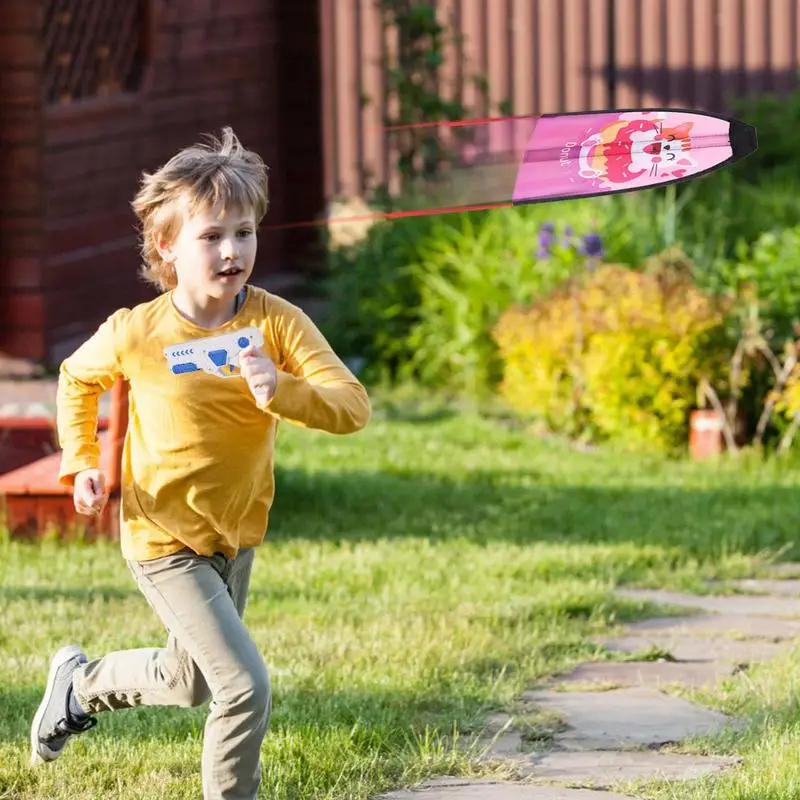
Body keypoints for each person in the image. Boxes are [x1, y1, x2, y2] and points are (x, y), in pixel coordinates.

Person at [29, 127, 371, 799]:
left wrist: (285, 390)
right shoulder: (139, 331)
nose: (232, 251)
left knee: (189, 680)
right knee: (243, 687)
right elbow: (77, 378)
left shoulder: (279, 325)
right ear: (168, 246)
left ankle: (78, 686)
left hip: (234, 534)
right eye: (211, 236)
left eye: (244, 233)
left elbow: (352, 405)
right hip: (163, 536)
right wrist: (83, 462)